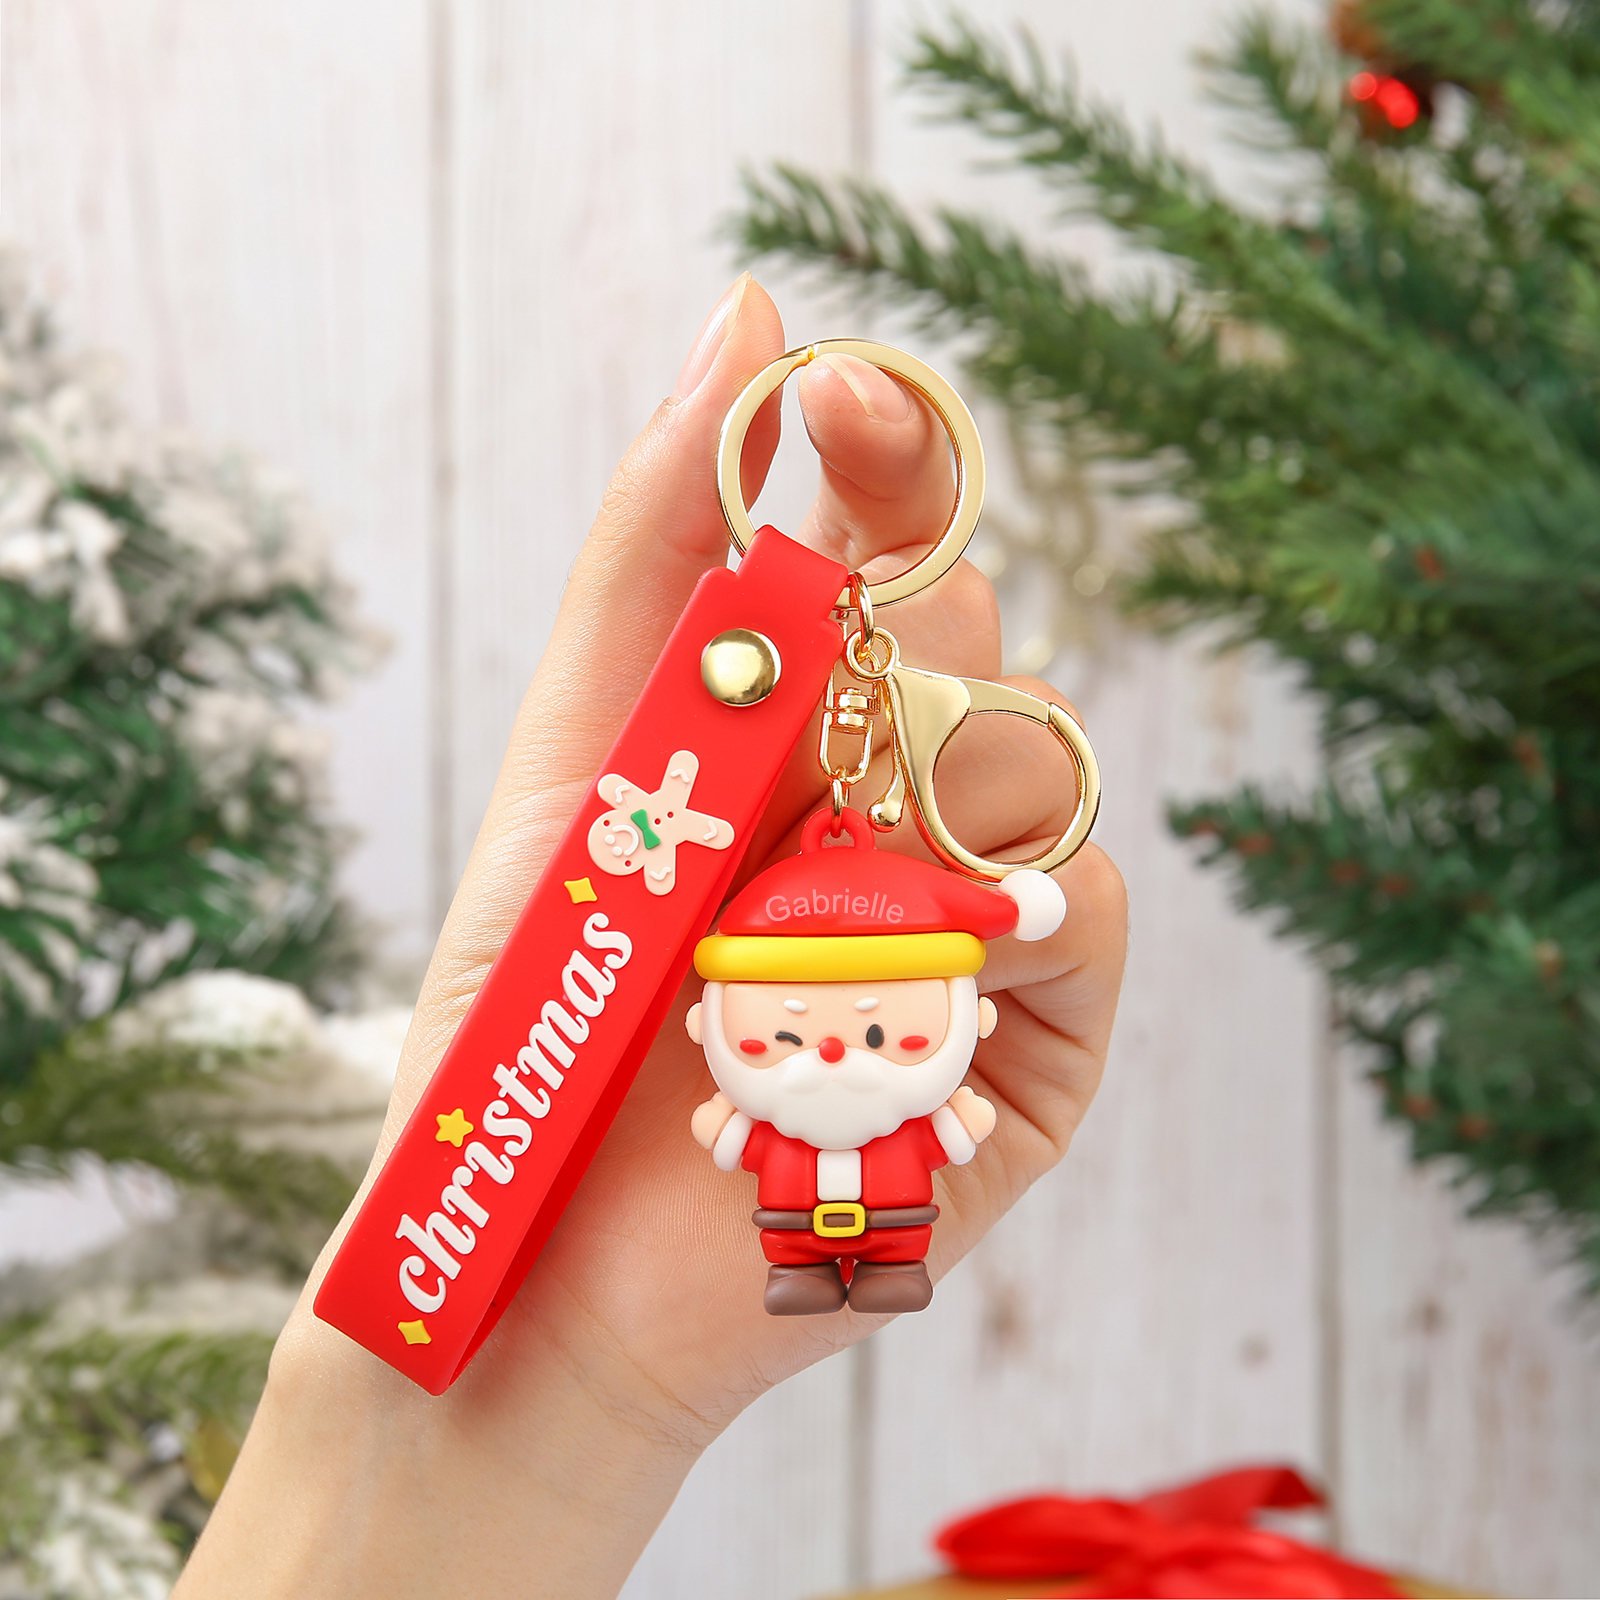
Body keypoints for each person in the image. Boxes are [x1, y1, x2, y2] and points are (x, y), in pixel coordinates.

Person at [173, 274, 1128, 1599]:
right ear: (717, 1017)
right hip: (497, 1211)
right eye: (792, 1026)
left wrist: (569, 1410)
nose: (831, 1050)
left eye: (874, 1024)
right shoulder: (731, 1058)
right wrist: (472, 1415)